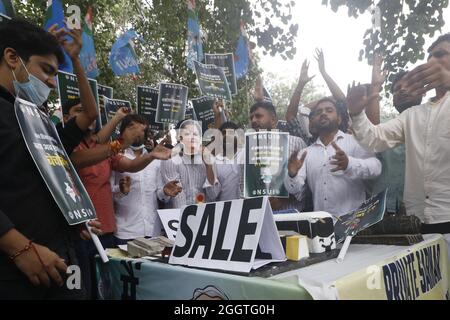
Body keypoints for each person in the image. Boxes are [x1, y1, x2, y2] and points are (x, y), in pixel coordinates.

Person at [0, 19, 101, 299]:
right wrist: (20, 248)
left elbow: (90, 116)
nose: (51, 82)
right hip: (17, 276)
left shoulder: (38, 121)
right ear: (12, 57)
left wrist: (73, 216)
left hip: (63, 263)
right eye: (46, 70)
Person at [346, 34, 450, 236]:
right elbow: (373, 138)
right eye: (429, 57)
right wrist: (356, 113)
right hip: (418, 224)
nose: (432, 62)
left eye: (441, 54)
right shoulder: (412, 115)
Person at [284, 98, 382, 217]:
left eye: (329, 110)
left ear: (339, 119)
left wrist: (349, 164)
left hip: (354, 224)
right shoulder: (305, 153)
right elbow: (294, 190)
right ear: (313, 121)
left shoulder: (355, 141)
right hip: (322, 225)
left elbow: (376, 168)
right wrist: (292, 175)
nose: (323, 113)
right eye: (318, 112)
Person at [111, 115, 181, 245]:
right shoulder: (115, 157)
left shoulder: (155, 160)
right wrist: (121, 190)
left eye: (142, 129)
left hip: (153, 232)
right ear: (122, 131)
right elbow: (109, 192)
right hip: (126, 232)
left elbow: (159, 194)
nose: (137, 132)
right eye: (132, 127)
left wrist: (165, 191)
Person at [249, 100, 307, 211]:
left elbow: (306, 186)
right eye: (251, 118)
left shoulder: (296, 143)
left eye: (258, 116)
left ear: (273, 120)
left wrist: (285, 200)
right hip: (259, 216)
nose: (253, 121)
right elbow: (244, 188)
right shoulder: (249, 150)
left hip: (290, 217)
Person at [160, 120, 218, 208]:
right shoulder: (170, 160)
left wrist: (208, 166)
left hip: (204, 214)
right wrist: (188, 219)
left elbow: (213, 195)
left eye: (195, 134)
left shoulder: (208, 158)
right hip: (178, 217)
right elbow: (178, 198)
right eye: (187, 134)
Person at [208, 121, 245, 201]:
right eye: (224, 133)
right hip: (226, 210)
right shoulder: (215, 162)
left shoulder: (245, 154)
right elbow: (212, 195)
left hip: (248, 208)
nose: (227, 136)